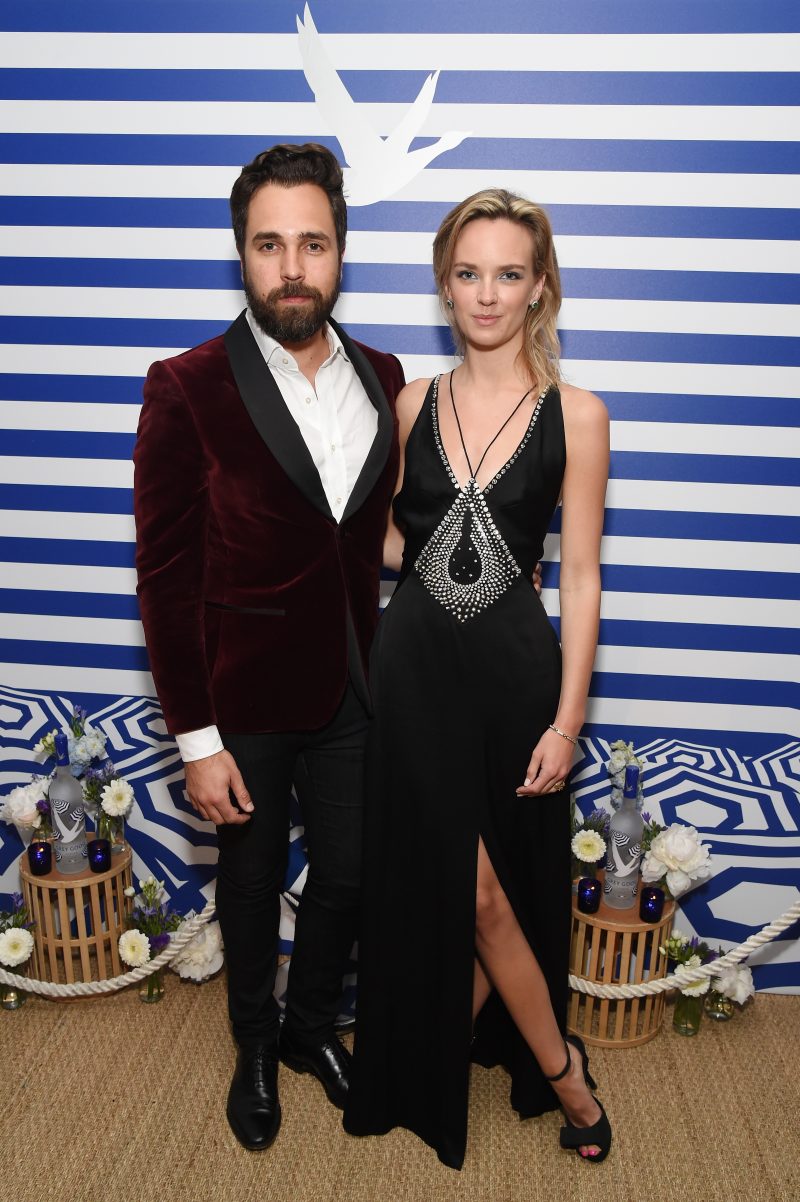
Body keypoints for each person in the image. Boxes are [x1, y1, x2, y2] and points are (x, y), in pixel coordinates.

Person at [133, 143, 405, 1151]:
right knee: (246, 886)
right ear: (241, 254)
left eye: (313, 243)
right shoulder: (187, 384)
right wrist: (194, 738)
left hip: (352, 682)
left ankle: (304, 1027)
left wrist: (489, 567)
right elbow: (162, 576)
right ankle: (252, 1045)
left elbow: (378, 531)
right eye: (269, 244)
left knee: (349, 871)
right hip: (238, 693)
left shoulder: (382, 378)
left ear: (340, 250)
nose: (292, 265)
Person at [343, 188, 611, 1169]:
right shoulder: (413, 401)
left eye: (507, 273)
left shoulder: (576, 415)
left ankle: (537, 1064)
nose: (485, 294)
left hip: (512, 678)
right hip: (410, 669)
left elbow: (578, 576)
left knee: (494, 895)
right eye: (467, 273)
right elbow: (392, 543)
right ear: (442, 284)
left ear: (538, 286)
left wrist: (568, 718)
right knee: (453, 885)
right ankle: (539, 1066)